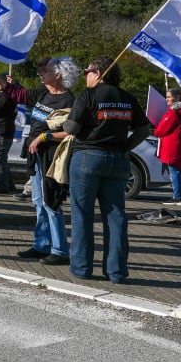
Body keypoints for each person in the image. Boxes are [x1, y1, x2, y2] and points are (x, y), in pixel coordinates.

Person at [62, 57, 152, 284]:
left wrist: (64, 122)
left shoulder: (88, 95)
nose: (85, 76)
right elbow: (144, 129)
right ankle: (116, 272)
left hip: (87, 158)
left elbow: (71, 128)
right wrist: (126, 146)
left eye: (87, 72)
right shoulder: (127, 98)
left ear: (99, 73)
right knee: (116, 217)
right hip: (118, 160)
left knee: (82, 215)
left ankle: (82, 269)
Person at [0, 55, 80, 265]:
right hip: (35, 155)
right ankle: (42, 244)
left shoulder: (69, 101)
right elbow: (17, 94)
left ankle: (60, 250)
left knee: (51, 202)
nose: (41, 72)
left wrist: (44, 137)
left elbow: (71, 132)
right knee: (38, 201)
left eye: (45, 70)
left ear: (58, 75)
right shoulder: (42, 92)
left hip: (52, 157)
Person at [154, 87, 181, 206]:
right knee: (178, 170)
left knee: (174, 171)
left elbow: (160, 130)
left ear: (177, 98)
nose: (166, 99)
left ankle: (178, 197)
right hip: (180, 143)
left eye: (169, 97)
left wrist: (157, 127)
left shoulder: (174, 112)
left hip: (172, 145)